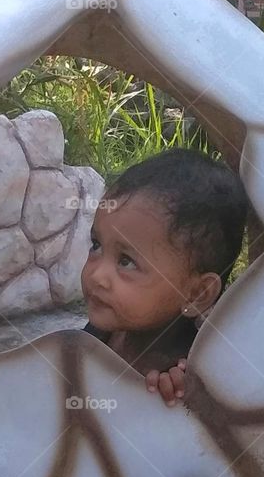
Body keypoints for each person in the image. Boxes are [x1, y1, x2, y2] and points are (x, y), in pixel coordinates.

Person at [79, 147, 249, 406]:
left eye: (126, 262)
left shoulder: (188, 373)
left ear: (196, 294)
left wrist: (179, 397)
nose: (97, 275)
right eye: (96, 245)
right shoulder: (99, 334)